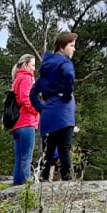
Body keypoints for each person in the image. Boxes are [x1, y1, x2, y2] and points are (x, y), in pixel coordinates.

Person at [33, 32, 77, 181]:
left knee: (49, 150)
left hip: (49, 113)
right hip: (64, 111)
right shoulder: (64, 63)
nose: (73, 49)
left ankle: (43, 180)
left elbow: (32, 94)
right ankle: (67, 182)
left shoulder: (46, 69)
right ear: (62, 47)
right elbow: (69, 76)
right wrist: (66, 94)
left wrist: (42, 109)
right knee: (64, 148)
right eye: (71, 46)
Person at [10, 53, 39, 185]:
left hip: (16, 125)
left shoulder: (16, 79)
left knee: (19, 160)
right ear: (26, 64)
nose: (34, 69)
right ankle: (27, 191)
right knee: (26, 159)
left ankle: (16, 188)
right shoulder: (26, 78)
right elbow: (25, 99)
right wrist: (36, 110)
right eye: (32, 65)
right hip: (26, 123)